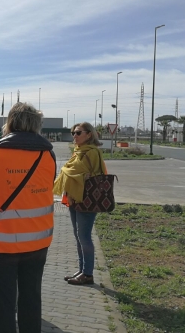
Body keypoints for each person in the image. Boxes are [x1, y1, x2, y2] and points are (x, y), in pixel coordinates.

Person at [0, 102, 56, 333]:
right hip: (38, 239)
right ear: (36, 124)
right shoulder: (48, 154)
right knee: (31, 296)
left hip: (4, 239)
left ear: (11, 121)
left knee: (4, 300)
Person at [53, 122, 106, 286]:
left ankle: (88, 274)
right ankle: (82, 269)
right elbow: (71, 171)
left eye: (78, 133)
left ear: (89, 134)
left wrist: (64, 170)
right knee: (78, 236)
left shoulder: (92, 152)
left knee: (84, 237)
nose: (74, 136)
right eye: (73, 133)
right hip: (75, 198)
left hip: (87, 199)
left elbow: (74, 171)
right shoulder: (78, 152)